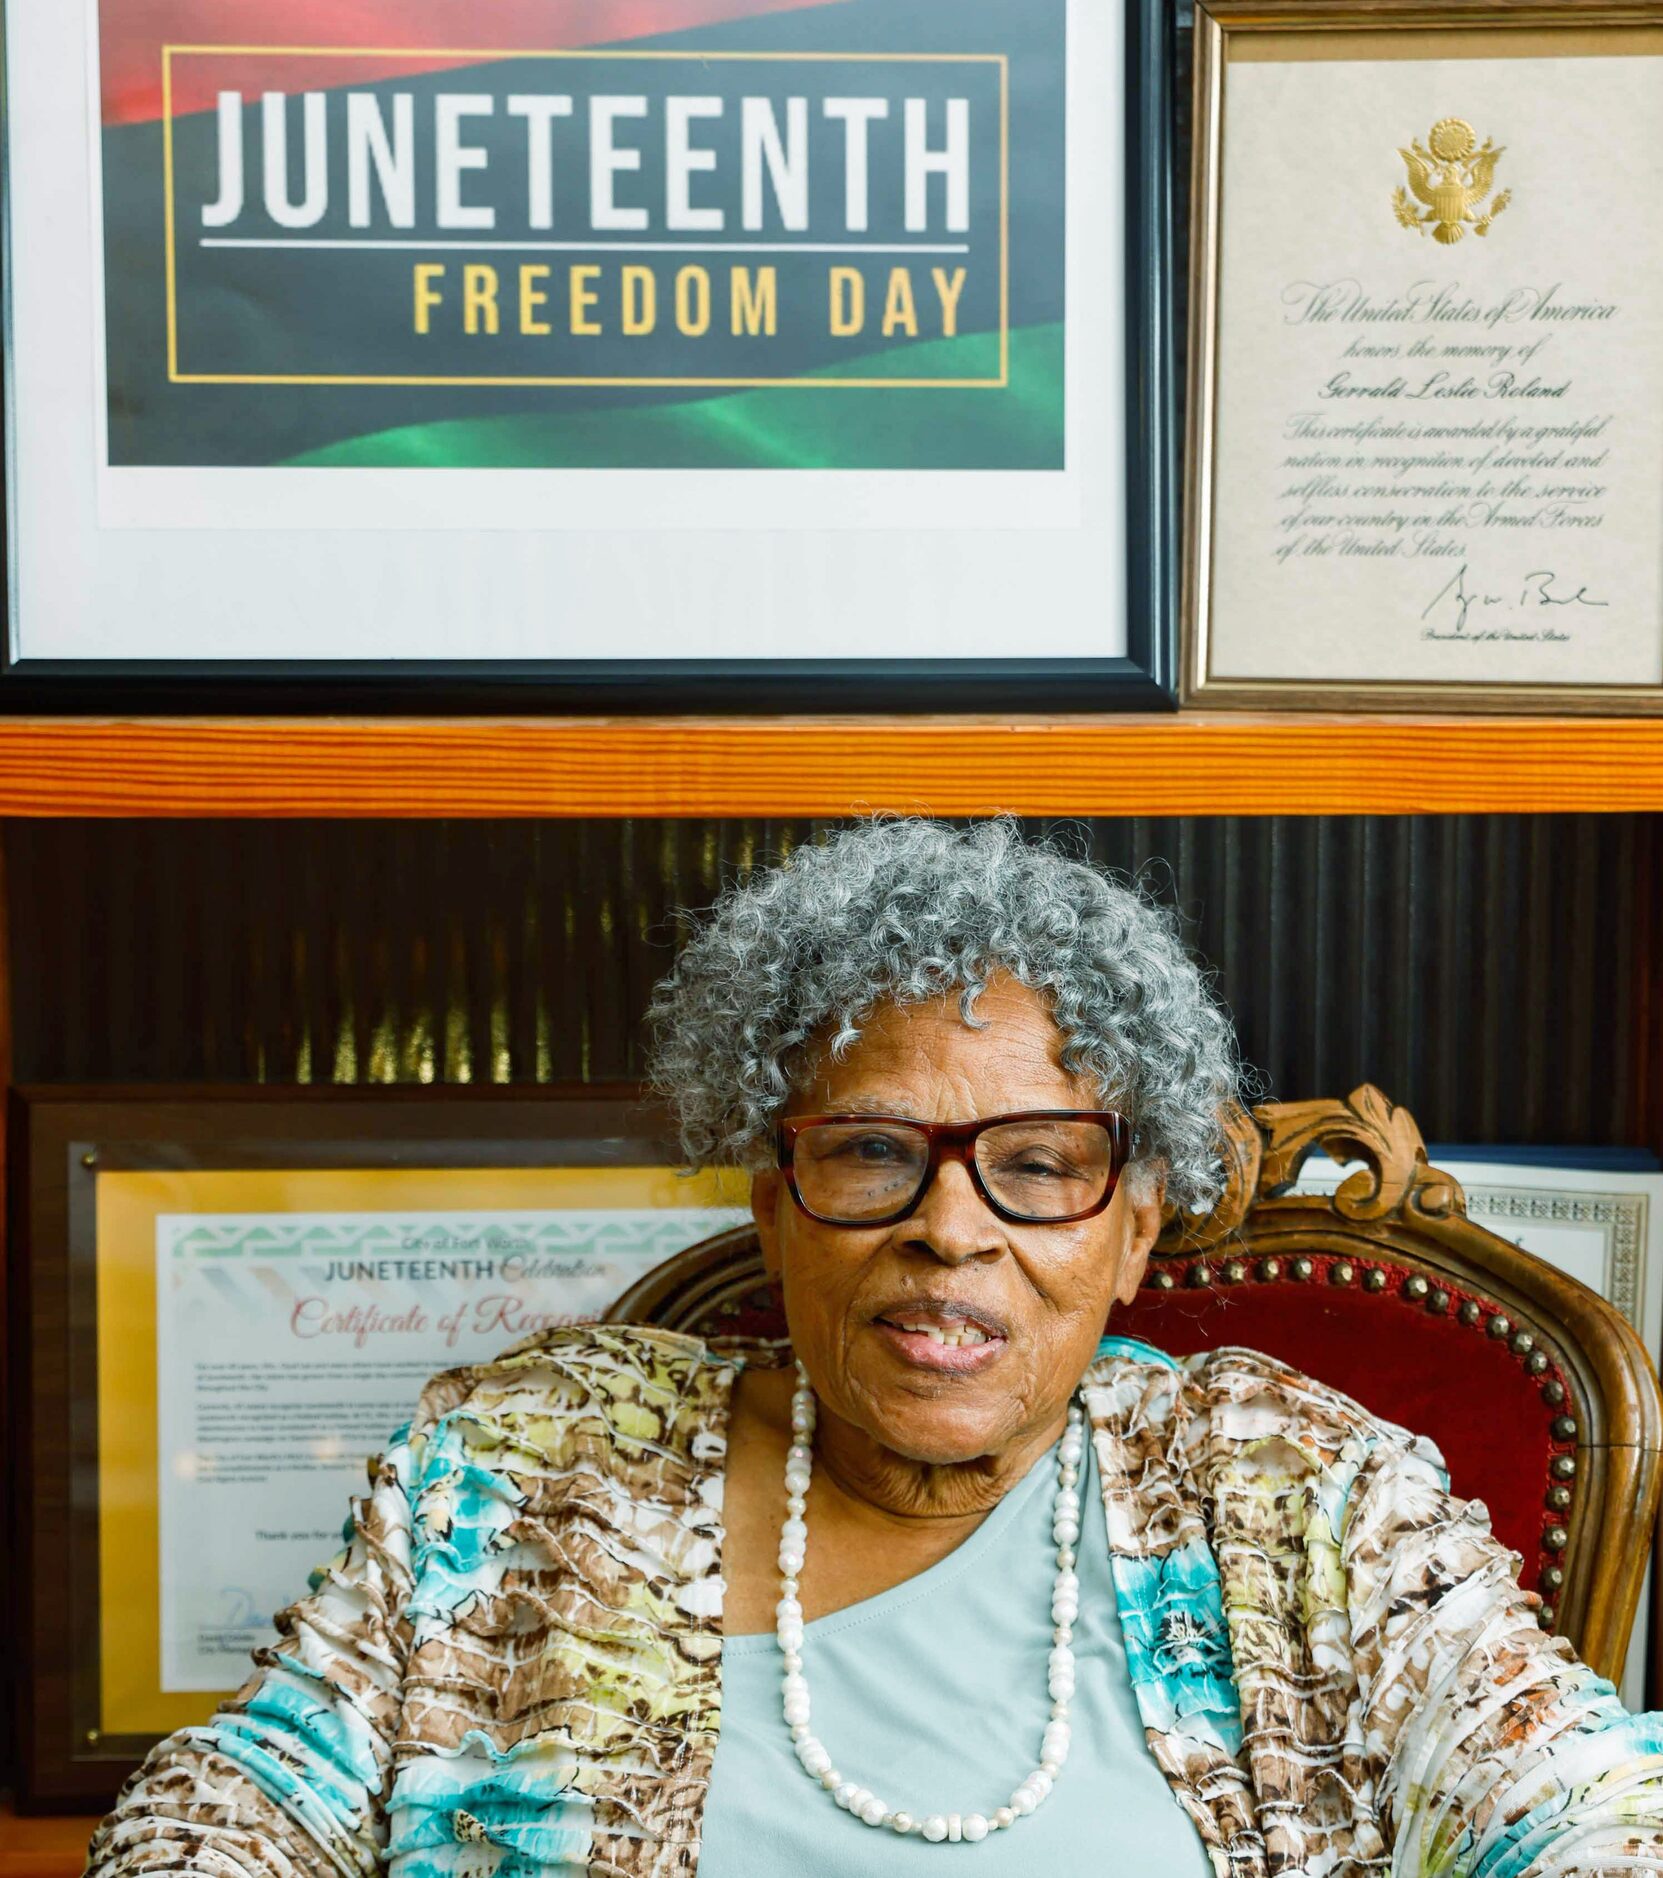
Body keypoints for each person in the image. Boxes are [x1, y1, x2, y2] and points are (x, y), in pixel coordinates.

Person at [86, 818, 1663, 1878]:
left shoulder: (1301, 1496)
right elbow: (237, 1800)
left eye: (1041, 1162)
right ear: (775, 1199)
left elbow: (1594, 1814)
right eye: (869, 1153)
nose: (951, 1227)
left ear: (1133, 1227)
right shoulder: (516, 1472)